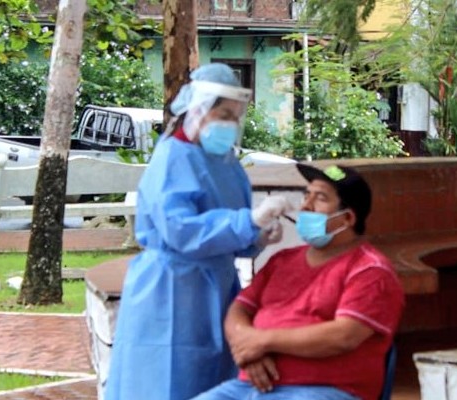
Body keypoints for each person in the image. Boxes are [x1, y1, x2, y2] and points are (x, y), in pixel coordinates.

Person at [104, 63, 293, 400]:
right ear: (199, 109)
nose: (230, 124)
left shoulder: (224, 162)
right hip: (171, 289)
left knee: (214, 383)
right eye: (224, 113)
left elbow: (228, 229)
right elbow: (180, 231)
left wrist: (257, 236)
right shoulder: (172, 158)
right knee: (165, 383)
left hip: (217, 289)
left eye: (235, 116)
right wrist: (247, 223)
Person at [192, 163, 405, 400]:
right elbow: (239, 309)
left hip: (325, 390)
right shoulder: (281, 261)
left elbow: (343, 336)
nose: (305, 206)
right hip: (249, 387)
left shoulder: (370, 271)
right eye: (307, 195)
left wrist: (263, 341)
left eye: (320, 198)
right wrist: (249, 351)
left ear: (347, 218)